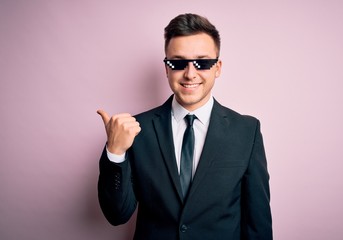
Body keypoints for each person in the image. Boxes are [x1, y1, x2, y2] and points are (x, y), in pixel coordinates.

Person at [97, 13, 272, 240]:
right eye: (178, 63)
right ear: (167, 69)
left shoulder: (247, 132)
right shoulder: (136, 130)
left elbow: (258, 225)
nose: (190, 74)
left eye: (203, 62)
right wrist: (115, 152)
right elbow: (116, 214)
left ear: (217, 67)